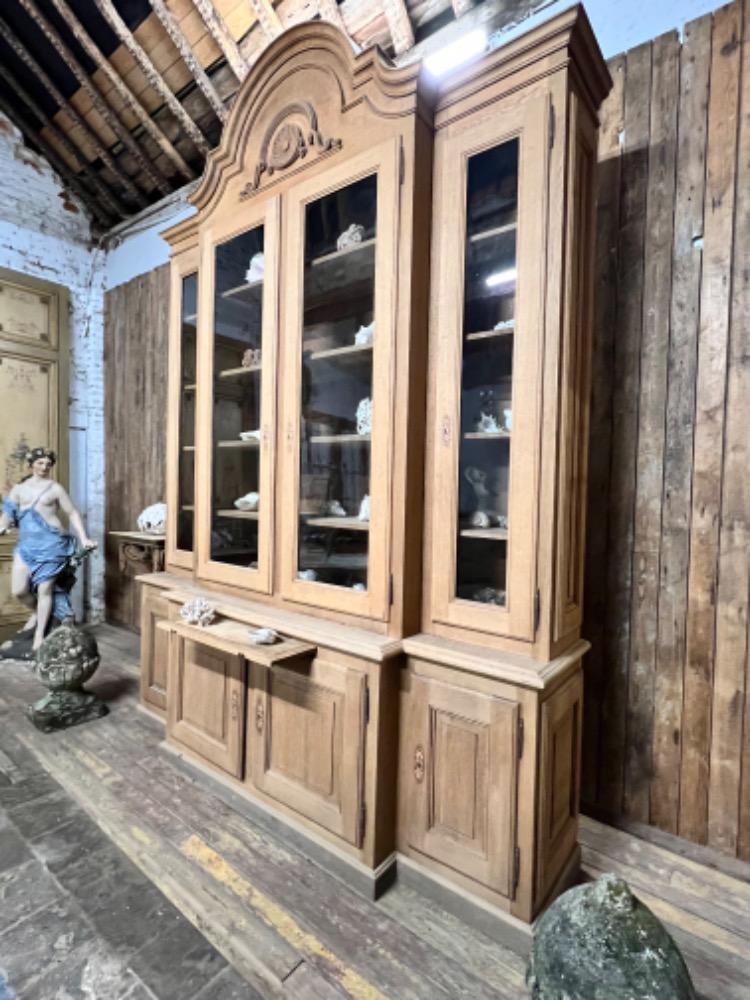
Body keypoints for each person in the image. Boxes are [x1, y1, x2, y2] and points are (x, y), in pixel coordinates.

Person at [0, 447, 96, 653]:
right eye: (40, 463)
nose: (44, 467)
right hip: (26, 547)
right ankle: (38, 614)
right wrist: (2, 526)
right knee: (19, 591)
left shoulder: (55, 488)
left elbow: (72, 513)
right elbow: (7, 512)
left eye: (48, 464)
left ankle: (39, 636)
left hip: (52, 545)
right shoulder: (19, 489)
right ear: (31, 464)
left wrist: (84, 537)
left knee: (45, 591)